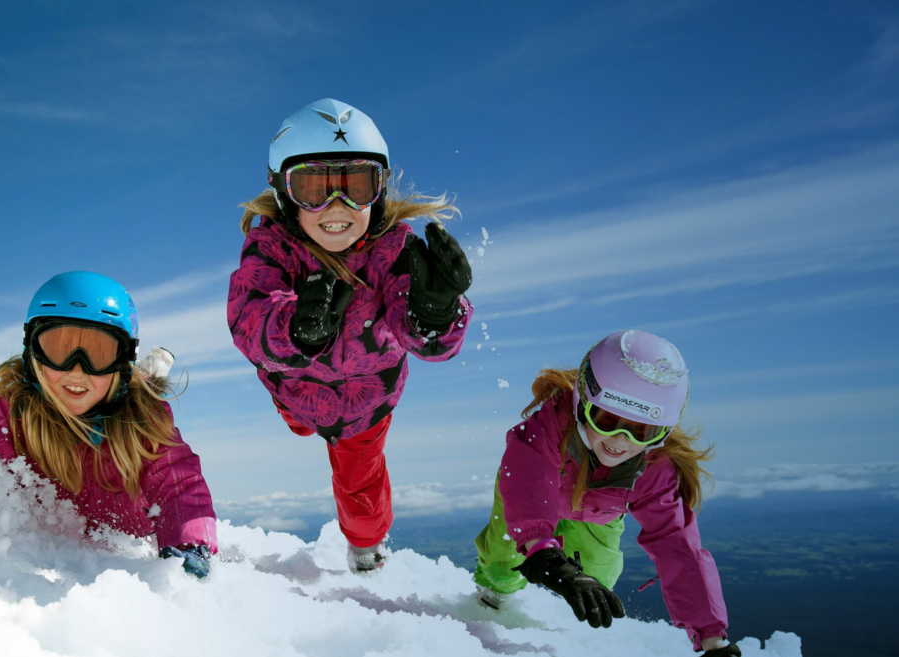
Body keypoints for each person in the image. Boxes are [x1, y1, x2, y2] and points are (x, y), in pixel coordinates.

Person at [227, 98, 473, 572]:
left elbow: (421, 339)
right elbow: (247, 315)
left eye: (356, 186)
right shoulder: (272, 248)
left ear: (378, 191)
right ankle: (299, 416)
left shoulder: (393, 249)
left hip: (366, 404)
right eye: (313, 188)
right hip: (297, 390)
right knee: (300, 423)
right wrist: (296, 331)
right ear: (282, 191)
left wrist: (434, 314)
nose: (336, 207)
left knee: (360, 486)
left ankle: (366, 551)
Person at [0, 271, 218, 578]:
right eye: (59, 349)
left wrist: (190, 548)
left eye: (99, 353)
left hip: (124, 522)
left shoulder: (144, 425)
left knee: (137, 397)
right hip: (67, 530)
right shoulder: (16, 415)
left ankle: (147, 375)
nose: (77, 370)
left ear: (122, 362)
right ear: (33, 353)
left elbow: (180, 484)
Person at [473, 330, 740, 656]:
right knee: (506, 560)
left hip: (598, 513)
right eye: (609, 419)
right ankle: (492, 598)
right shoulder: (554, 422)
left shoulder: (652, 467)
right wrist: (540, 548)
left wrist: (713, 639)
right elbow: (529, 475)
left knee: (596, 577)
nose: (619, 440)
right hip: (532, 496)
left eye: (641, 430)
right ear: (584, 401)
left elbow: (679, 548)